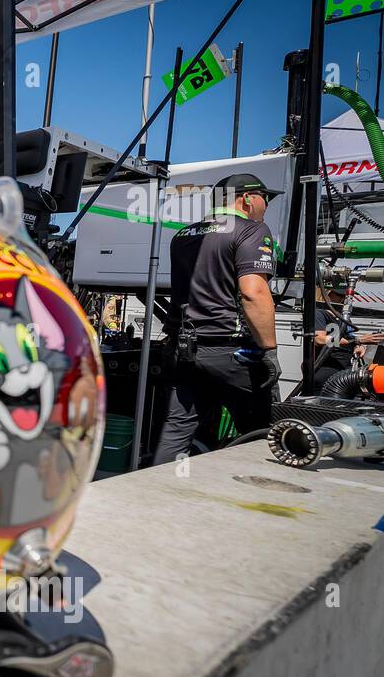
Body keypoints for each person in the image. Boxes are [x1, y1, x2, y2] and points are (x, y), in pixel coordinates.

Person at [152, 174, 283, 464]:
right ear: (247, 198)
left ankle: (155, 498)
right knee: (263, 433)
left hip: (181, 348)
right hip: (231, 351)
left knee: (177, 430)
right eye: (265, 197)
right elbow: (254, 293)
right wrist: (270, 351)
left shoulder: (183, 234)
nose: (266, 205)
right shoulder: (252, 229)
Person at [310, 286, 384, 393]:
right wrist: (358, 340)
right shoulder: (320, 313)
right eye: (340, 295)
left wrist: (358, 346)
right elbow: (319, 339)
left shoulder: (343, 317)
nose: (343, 299)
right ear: (327, 294)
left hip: (344, 372)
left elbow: (349, 338)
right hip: (327, 371)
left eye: (346, 296)